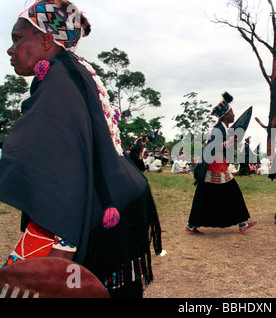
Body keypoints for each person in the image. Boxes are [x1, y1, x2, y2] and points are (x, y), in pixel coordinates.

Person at [0, 0, 162, 298]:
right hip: (121, 201)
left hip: (99, 212)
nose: (11, 49)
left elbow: (61, 166)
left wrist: (63, 249)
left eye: (17, 38)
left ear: (47, 40)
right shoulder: (76, 70)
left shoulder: (58, 78)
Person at [186, 92, 257, 235]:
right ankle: (192, 225)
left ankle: (241, 222)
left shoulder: (222, 129)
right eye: (231, 112)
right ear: (225, 115)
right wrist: (227, 143)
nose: (234, 115)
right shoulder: (218, 129)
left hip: (218, 166)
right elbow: (212, 147)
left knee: (219, 194)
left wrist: (230, 143)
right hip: (214, 167)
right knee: (221, 193)